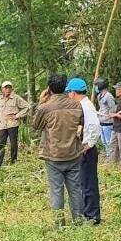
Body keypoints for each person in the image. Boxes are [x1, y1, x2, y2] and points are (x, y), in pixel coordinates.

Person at [31, 74, 85, 225]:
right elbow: (82, 124)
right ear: (65, 87)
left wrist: (41, 102)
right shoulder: (76, 105)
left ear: (49, 88)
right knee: (75, 189)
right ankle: (79, 221)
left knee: (56, 190)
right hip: (73, 153)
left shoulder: (44, 108)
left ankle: (59, 224)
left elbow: (35, 126)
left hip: (53, 155)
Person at [68, 78, 102, 224]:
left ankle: (93, 215)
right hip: (85, 148)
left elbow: (94, 127)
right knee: (84, 182)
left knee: (88, 183)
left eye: (69, 92)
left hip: (87, 150)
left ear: (73, 93)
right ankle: (88, 212)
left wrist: (87, 145)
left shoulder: (85, 106)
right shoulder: (83, 104)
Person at [0, 80, 31, 168]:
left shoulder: (16, 98)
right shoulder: (0, 99)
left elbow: (27, 106)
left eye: (9, 87)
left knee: (13, 143)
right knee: (0, 144)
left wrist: (18, 116)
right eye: (6, 88)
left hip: (13, 124)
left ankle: (13, 161)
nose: (8, 89)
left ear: (12, 89)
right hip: (3, 125)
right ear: (2, 89)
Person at [95, 78, 117, 162]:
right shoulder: (99, 96)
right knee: (104, 141)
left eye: (96, 85)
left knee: (109, 141)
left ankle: (111, 158)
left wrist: (109, 116)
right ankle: (108, 156)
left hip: (108, 122)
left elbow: (113, 108)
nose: (95, 87)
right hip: (101, 121)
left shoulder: (109, 96)